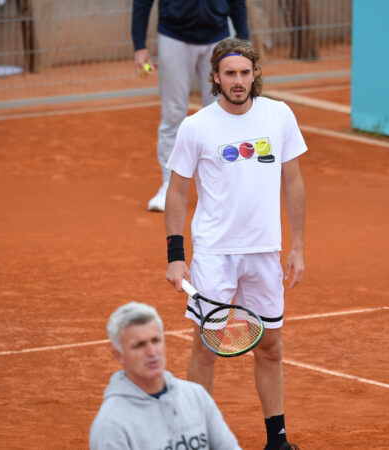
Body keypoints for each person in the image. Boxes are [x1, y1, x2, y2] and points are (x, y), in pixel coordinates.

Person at [164, 38, 306, 450]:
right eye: (230, 74)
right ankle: (196, 439)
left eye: (245, 72)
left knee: (271, 346)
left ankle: (276, 440)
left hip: (265, 252)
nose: (238, 81)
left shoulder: (279, 116)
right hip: (214, 255)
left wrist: (298, 245)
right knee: (207, 348)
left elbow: (293, 181)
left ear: (255, 74)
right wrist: (177, 257)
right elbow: (177, 192)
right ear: (215, 77)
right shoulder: (197, 126)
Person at [131, 0, 249, 211]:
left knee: (221, 114)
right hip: (174, 37)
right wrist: (139, 45)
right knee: (173, 113)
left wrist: (244, 40)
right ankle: (169, 185)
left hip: (218, 37)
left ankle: (222, 186)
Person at [89, 301, 241, 450]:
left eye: (155, 341)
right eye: (139, 345)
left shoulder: (196, 396)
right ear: (119, 355)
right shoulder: (111, 425)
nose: (152, 352)